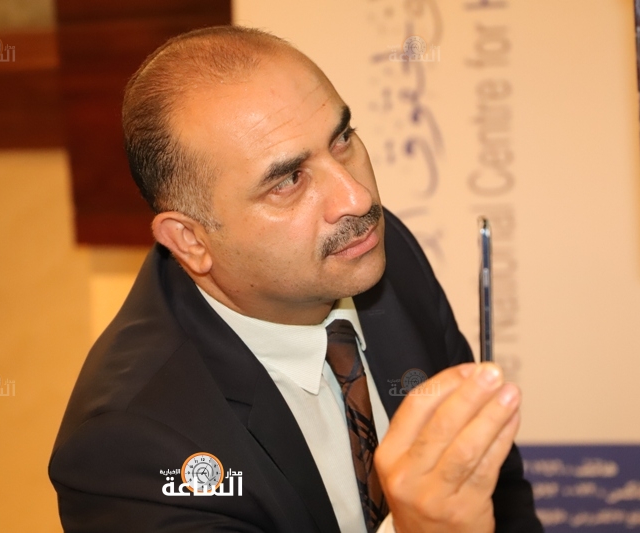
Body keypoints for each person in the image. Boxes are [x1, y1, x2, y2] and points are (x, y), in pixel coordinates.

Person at [49, 26, 542, 533]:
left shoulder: (373, 250)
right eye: (288, 180)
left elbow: (495, 486)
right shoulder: (129, 450)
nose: (357, 198)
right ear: (191, 240)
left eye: (342, 139)